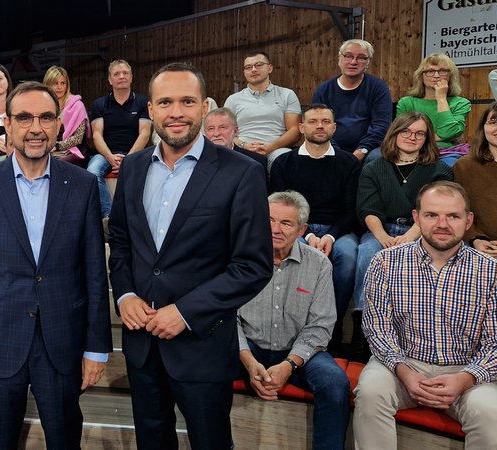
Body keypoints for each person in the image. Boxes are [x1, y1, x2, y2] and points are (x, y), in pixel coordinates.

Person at [108, 62, 272, 449]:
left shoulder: (242, 172)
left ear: (204, 106)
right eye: (165, 102)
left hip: (202, 345)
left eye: (187, 101)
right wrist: (125, 294)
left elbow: (252, 266)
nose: (176, 112)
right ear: (151, 110)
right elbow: (121, 241)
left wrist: (185, 312)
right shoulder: (133, 168)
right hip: (142, 344)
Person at [0, 81, 112, 449]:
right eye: (24, 118)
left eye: (46, 118)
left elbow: (93, 274)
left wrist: (96, 348)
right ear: (7, 124)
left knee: (65, 441)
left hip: (63, 342)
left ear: (59, 125)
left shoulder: (84, 185)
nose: (35, 128)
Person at [353, 181, 497, 449]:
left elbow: (495, 343)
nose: (442, 224)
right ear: (416, 218)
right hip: (401, 364)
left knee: (491, 412)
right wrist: (404, 371)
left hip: (466, 371)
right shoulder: (385, 262)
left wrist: (465, 378)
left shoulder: (491, 270)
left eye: (453, 216)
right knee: (371, 391)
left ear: (468, 221)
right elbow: (376, 328)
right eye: (432, 215)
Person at [238, 191, 349, 449]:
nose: (275, 229)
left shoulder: (319, 264)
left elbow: (320, 326)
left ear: (301, 230)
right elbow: (227, 317)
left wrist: (289, 364)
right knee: (207, 366)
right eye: (269, 220)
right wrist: (248, 361)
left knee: (335, 383)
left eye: (286, 223)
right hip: (248, 347)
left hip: (299, 352)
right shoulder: (240, 258)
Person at [350, 112, 453, 362]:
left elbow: (436, 209)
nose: (411, 137)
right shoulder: (374, 167)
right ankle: (361, 328)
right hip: (381, 228)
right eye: (405, 131)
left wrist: (410, 236)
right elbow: (368, 208)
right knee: (367, 253)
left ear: (427, 138)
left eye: (419, 133)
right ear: (394, 134)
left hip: (424, 231)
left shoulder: (439, 170)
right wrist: (382, 236)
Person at [270, 104, 361, 352]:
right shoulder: (283, 163)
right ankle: (294, 324)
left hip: (338, 229)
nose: (319, 126)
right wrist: (307, 234)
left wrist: (330, 235)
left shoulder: (349, 163)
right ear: (301, 127)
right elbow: (281, 208)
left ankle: (333, 324)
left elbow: (351, 209)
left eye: (325, 121)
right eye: (312, 121)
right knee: (294, 253)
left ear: (334, 127)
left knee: (348, 256)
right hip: (295, 230)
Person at [88, 59, 153, 218]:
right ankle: (109, 217)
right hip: (106, 154)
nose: (121, 76)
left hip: (136, 153)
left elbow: (145, 133)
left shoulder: (142, 102)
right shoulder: (100, 104)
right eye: (116, 74)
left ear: (131, 77)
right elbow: (96, 135)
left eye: (125, 73)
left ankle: (139, 216)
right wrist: (111, 158)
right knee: (92, 172)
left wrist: (128, 159)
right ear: (110, 80)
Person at [312, 39, 392, 162]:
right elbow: (319, 125)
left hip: (369, 149)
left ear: (368, 62)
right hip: (330, 147)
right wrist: (337, 153)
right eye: (348, 56)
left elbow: (381, 125)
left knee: (377, 158)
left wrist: (361, 151)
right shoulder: (324, 90)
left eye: (361, 58)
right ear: (339, 59)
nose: (353, 62)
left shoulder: (378, 87)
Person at [224, 51, 301, 170]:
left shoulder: (287, 95)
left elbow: (295, 130)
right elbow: (225, 131)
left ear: (270, 68)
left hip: (277, 149)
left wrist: (270, 147)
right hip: (243, 149)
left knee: (286, 160)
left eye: (258, 65)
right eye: (248, 67)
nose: (253, 70)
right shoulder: (233, 99)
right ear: (244, 72)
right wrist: (244, 145)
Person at [397, 53, 471, 166]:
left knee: (450, 165)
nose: (436, 75)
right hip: (412, 149)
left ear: (450, 76)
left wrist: (441, 98)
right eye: (430, 71)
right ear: (421, 76)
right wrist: (441, 137)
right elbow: (403, 133)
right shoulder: (406, 102)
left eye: (442, 71)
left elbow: (449, 131)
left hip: (446, 153)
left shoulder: (461, 103)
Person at [453, 102, 497, 257]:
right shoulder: (464, 166)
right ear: (483, 127)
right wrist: (474, 239)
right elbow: (458, 209)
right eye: (493, 122)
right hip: (478, 245)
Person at [42, 65, 90, 165]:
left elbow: (78, 138)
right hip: (49, 150)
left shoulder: (77, 105)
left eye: (63, 83)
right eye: (55, 83)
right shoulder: (42, 106)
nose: (59, 87)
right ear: (47, 85)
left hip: (74, 151)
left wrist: (57, 146)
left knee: (54, 164)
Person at [203, 107, 269, 172]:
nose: (216, 133)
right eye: (211, 129)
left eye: (222, 127)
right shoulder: (199, 159)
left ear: (235, 131)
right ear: (205, 133)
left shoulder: (255, 161)